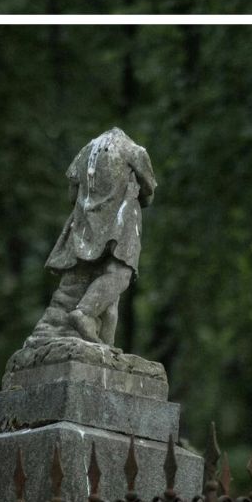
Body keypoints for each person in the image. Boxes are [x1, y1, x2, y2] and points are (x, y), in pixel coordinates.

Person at [28, 127, 157, 347]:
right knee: (120, 275)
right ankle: (85, 313)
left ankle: (105, 348)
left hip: (84, 226)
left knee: (107, 296)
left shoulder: (86, 151)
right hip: (121, 223)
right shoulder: (134, 151)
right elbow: (148, 193)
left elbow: (72, 193)